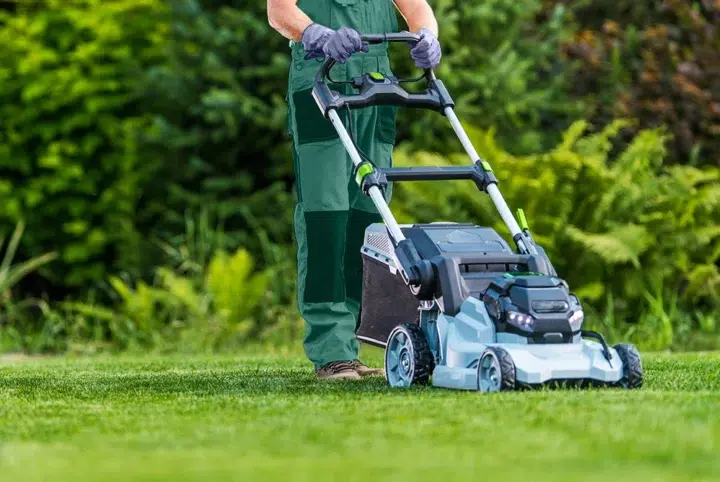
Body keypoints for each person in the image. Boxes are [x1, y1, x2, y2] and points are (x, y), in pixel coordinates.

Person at [267, 0, 442, 379]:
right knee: (325, 215)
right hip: (320, 81)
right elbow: (279, 11)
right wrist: (314, 33)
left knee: (370, 216)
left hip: (375, 86)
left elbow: (417, 8)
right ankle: (331, 350)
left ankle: (353, 343)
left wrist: (428, 35)